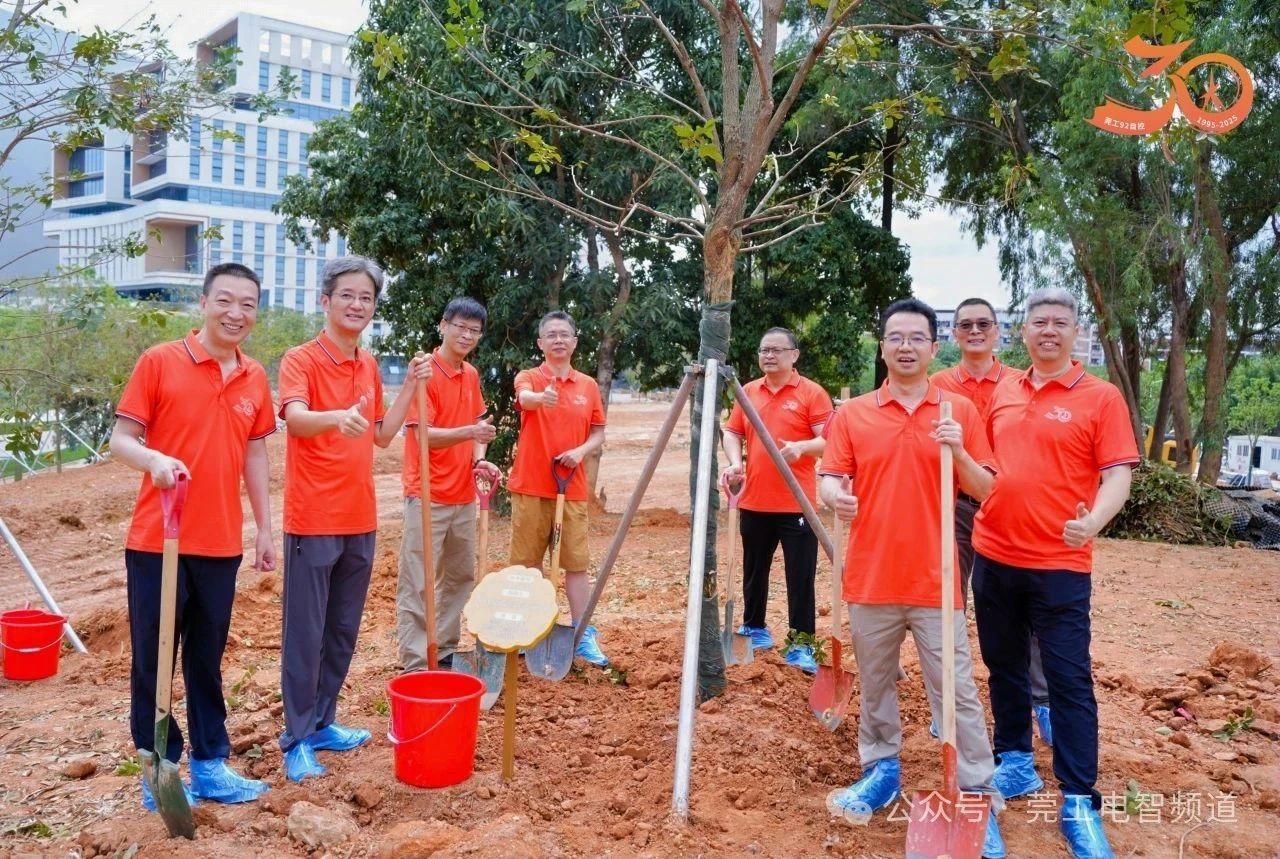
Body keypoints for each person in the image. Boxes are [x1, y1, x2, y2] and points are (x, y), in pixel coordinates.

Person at [819, 297, 1005, 858]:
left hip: (936, 580)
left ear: (933, 347)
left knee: (956, 691)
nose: (905, 346)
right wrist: (834, 497)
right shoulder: (853, 414)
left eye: (916, 338)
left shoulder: (958, 411)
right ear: (882, 348)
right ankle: (881, 769)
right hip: (871, 578)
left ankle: (975, 793)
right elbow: (830, 478)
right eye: (895, 337)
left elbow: (985, 488)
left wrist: (959, 452)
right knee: (875, 685)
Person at [971, 287, 1138, 859]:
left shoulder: (1101, 397)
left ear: (1076, 332)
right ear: (1023, 332)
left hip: (1060, 564)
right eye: (1038, 321)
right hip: (994, 555)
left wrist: (1092, 521)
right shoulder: (1003, 391)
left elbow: (1118, 474)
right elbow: (983, 463)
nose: (1048, 330)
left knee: (1068, 679)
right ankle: (1015, 758)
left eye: (1060, 322)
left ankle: (1079, 800)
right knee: (1004, 667)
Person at [110, 262, 275, 809]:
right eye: (224, 300)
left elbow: (255, 453)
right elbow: (121, 440)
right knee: (153, 660)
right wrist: (154, 459)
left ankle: (209, 764)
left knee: (206, 658)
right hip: (158, 540)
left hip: (220, 543)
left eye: (247, 304)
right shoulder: (160, 361)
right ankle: (157, 768)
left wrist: (264, 528)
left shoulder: (254, 376)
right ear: (203, 303)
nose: (236, 313)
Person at [277, 256, 430, 781]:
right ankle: (297, 738)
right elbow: (295, 418)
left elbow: (382, 435)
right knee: (305, 633)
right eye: (347, 295)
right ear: (326, 301)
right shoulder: (301, 359)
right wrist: (335, 418)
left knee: (342, 629)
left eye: (366, 298)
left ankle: (323, 722)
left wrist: (410, 386)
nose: (357, 305)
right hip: (312, 517)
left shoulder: (368, 365)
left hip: (359, 516)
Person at [932, 298, 1054, 746]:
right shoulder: (938, 385)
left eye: (984, 323)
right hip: (959, 505)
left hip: (1016, 509)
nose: (975, 331)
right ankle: (950, 702)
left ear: (998, 330)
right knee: (949, 603)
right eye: (966, 324)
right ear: (954, 334)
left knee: (1028, 606)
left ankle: (1041, 701)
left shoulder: (1021, 384)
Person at [397, 297, 501, 671]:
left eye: (475, 331)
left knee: (460, 576)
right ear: (443, 325)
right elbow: (422, 435)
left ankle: (443, 649)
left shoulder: (470, 374)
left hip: (462, 495)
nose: (467, 335)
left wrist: (479, 458)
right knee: (418, 580)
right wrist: (470, 432)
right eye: (460, 327)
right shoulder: (425, 372)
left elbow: (478, 425)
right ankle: (415, 661)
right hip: (426, 493)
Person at [722, 327, 832, 673]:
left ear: (794, 355)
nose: (769, 356)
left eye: (776, 350)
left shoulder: (812, 393)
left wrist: (802, 447)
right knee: (754, 571)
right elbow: (732, 432)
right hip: (754, 499)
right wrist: (735, 462)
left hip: (796, 503)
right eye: (764, 350)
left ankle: (802, 643)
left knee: (800, 575)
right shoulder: (748, 391)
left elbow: (830, 441)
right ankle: (754, 628)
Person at [507, 310, 608, 666]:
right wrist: (540, 398)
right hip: (531, 486)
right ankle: (525, 632)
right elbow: (524, 399)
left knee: (576, 565)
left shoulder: (588, 386)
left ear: (575, 342)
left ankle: (582, 635)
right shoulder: (530, 377)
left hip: (572, 488)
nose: (558, 340)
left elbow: (598, 431)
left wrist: (580, 452)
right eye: (551, 335)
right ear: (541, 343)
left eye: (564, 334)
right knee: (527, 566)